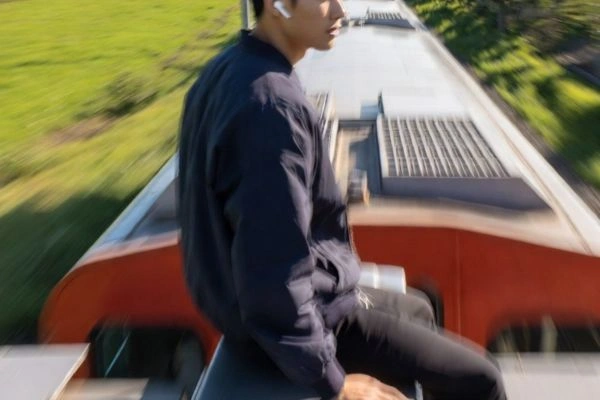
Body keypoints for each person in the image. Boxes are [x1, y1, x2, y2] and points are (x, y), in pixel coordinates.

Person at [177, 0, 507, 399]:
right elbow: (273, 273)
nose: (340, 11)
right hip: (295, 326)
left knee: (419, 307)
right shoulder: (271, 108)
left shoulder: (228, 69)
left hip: (268, 308)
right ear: (278, 6)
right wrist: (333, 383)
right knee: (483, 379)